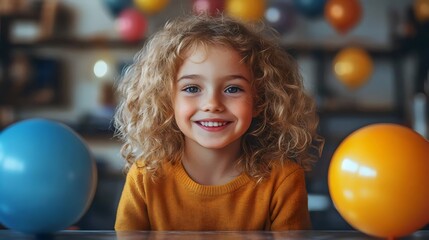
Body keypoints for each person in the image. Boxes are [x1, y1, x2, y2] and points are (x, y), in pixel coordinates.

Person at [113, 13, 323, 231]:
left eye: (233, 89)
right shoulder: (145, 177)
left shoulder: (283, 180)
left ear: (259, 100)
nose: (212, 104)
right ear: (166, 100)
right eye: (192, 88)